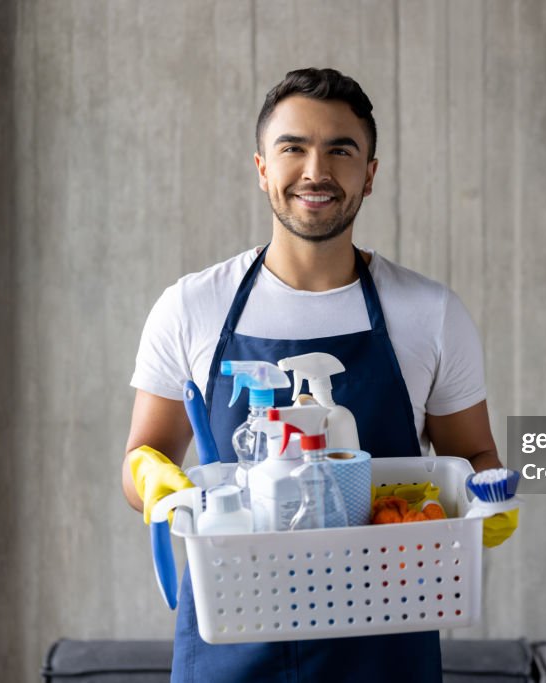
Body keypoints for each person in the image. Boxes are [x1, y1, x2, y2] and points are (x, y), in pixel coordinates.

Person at [121, 67, 518, 683]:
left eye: (341, 149)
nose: (316, 170)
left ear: (370, 173)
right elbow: (140, 457)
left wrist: (489, 501)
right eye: (293, 148)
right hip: (231, 647)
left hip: (386, 648)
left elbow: (473, 455)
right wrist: (154, 479)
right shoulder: (192, 307)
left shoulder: (430, 314)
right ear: (261, 168)